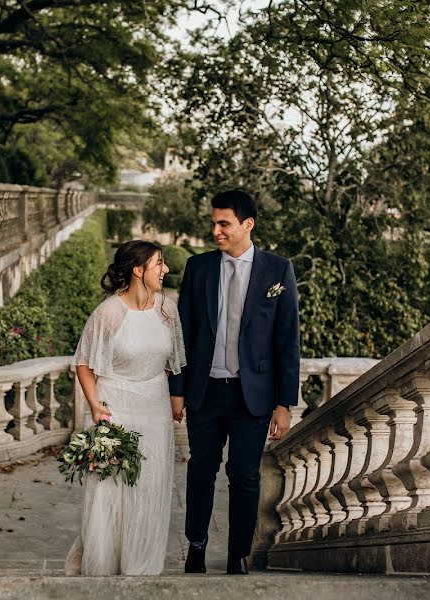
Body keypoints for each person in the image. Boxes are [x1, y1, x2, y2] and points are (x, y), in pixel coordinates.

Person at [169, 189, 300, 575]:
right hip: (204, 393)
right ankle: (195, 545)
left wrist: (284, 403)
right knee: (200, 471)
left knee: (244, 476)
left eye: (224, 223)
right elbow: (183, 333)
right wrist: (177, 389)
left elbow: (287, 341)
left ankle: (237, 554)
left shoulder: (278, 271)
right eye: (213, 223)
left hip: (252, 397)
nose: (216, 230)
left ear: (248, 224)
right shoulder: (199, 268)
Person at [64, 240, 187, 576]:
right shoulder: (108, 313)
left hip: (155, 407)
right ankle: (103, 565)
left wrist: (168, 394)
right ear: (138, 270)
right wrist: (95, 405)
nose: (165, 270)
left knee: (150, 486)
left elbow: (170, 360)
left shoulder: (167, 308)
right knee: (112, 490)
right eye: (158, 264)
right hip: (117, 408)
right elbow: (84, 363)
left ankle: (142, 566)